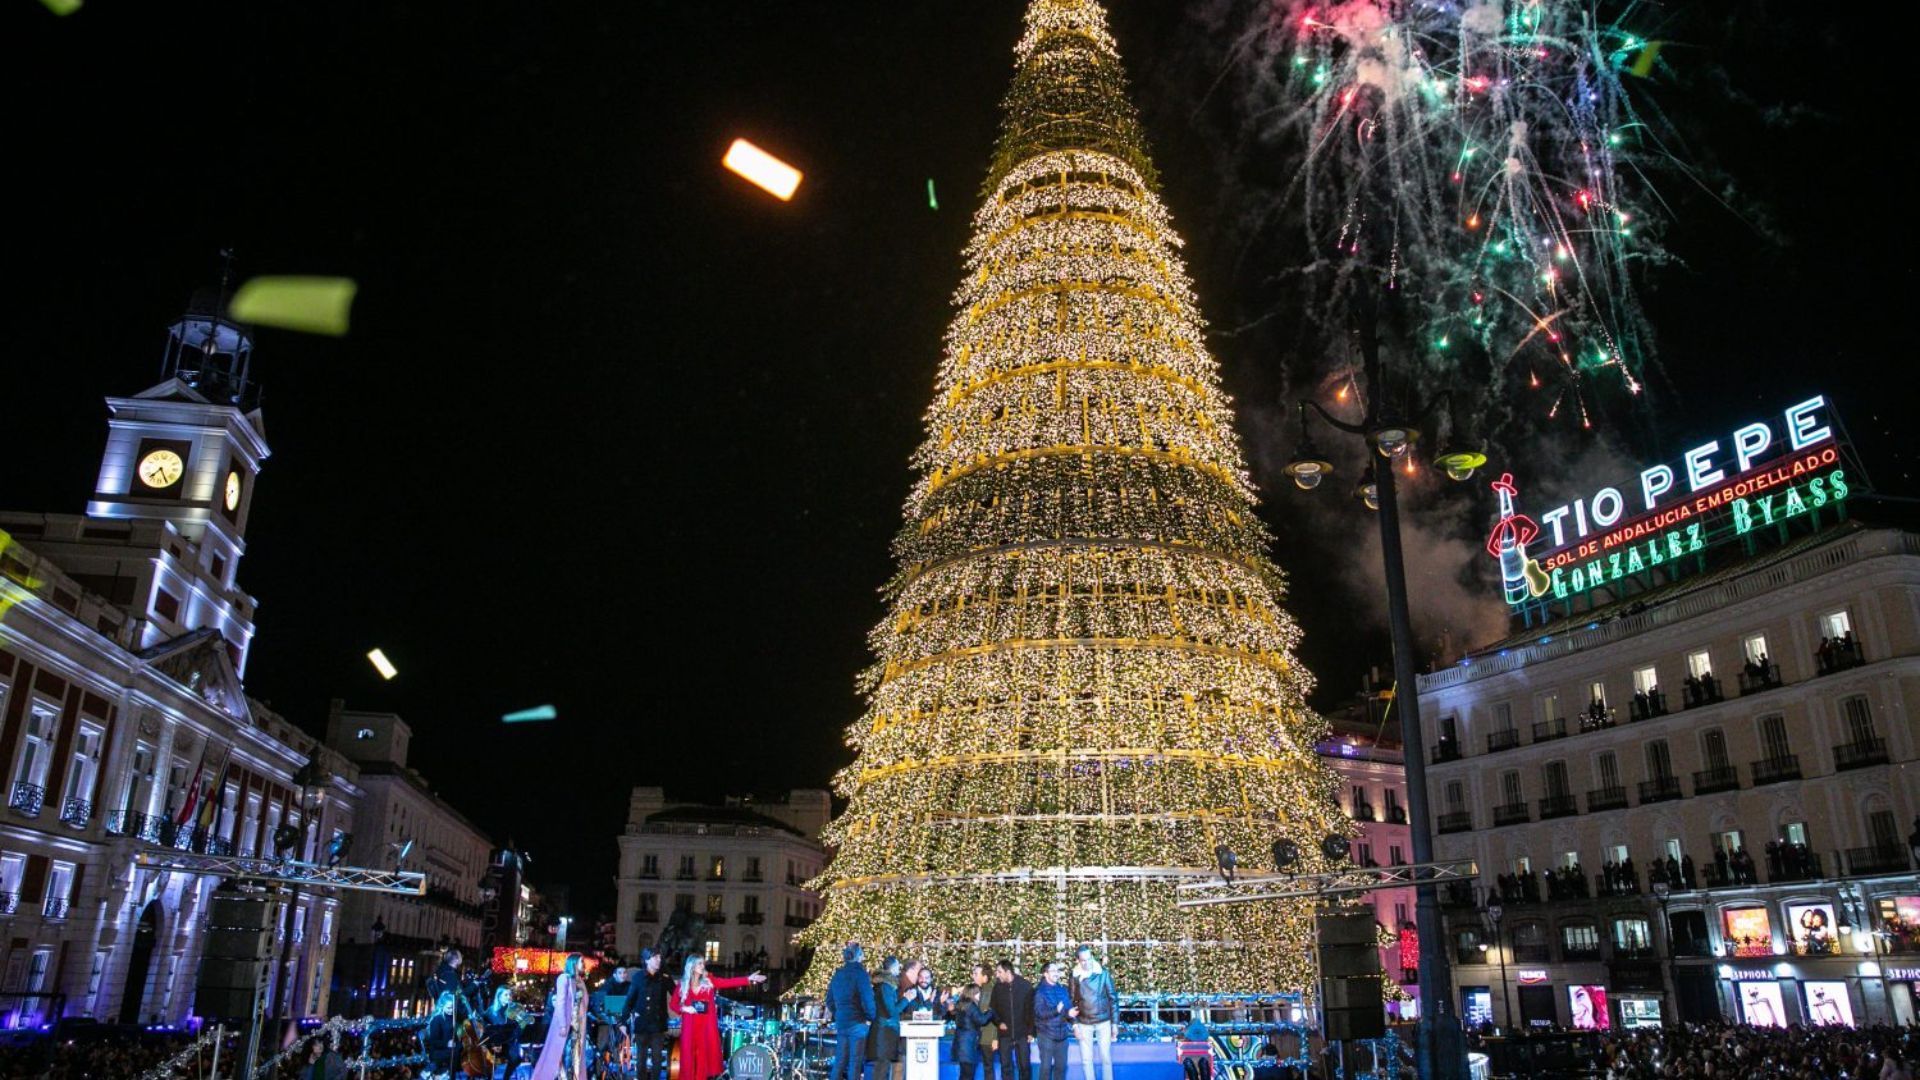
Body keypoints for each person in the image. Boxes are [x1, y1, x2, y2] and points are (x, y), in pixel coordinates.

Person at [672, 955, 767, 1080]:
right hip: (689, 1026)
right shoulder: (682, 985)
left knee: (702, 1062)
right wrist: (685, 1008)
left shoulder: (709, 981)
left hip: (705, 1027)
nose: (703, 966)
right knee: (687, 1061)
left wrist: (748, 979)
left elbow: (727, 982)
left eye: (703, 963)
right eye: (700, 964)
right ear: (692, 966)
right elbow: (673, 1004)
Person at [532, 953, 590, 1080]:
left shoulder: (580, 982)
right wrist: (563, 1025)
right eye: (581, 961)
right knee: (558, 1056)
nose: (584, 964)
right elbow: (561, 1002)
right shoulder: (564, 978)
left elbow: (584, 1004)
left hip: (578, 1025)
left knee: (575, 1057)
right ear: (573, 963)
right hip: (565, 1024)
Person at [828, 943, 878, 1080]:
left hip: (842, 1022)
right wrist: (871, 1017)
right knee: (855, 1063)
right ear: (859, 956)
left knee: (840, 1061)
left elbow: (829, 1000)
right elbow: (867, 999)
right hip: (858, 1022)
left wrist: (839, 1014)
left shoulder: (837, 975)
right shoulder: (861, 975)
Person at [1067, 947, 1115, 1080]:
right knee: (1086, 1060)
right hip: (1083, 1023)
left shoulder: (1103, 973)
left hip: (1104, 1022)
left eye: (1089, 959)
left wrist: (1115, 1023)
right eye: (1083, 960)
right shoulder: (1074, 976)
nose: (1087, 963)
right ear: (1078, 960)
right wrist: (1075, 1026)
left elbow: (1113, 998)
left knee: (1106, 1058)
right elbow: (1070, 1002)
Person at [630, 950, 674, 1080]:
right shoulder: (638, 977)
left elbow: (677, 995)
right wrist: (622, 1020)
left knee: (657, 1059)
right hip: (642, 1024)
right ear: (647, 960)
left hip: (658, 1024)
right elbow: (630, 999)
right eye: (655, 957)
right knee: (641, 1059)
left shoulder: (664, 978)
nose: (659, 959)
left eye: (660, 957)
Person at [990, 961, 1035, 1080]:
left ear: (1008, 972)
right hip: (1004, 1034)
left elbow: (1031, 1011)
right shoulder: (997, 988)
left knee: (1024, 1066)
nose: (997, 975)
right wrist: (999, 1022)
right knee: (1005, 1067)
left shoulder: (1025, 986)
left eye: (999, 972)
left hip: (1023, 1033)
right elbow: (992, 1009)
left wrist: (1031, 1032)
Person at [591, 965, 638, 1078]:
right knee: (602, 1047)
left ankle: (619, 1073)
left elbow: (633, 1002)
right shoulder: (607, 986)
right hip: (607, 1023)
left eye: (624, 973)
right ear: (614, 975)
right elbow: (602, 1004)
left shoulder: (629, 986)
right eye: (620, 973)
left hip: (622, 1023)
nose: (623, 975)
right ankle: (599, 1073)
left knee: (620, 1048)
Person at [868, 956, 906, 1080]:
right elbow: (892, 1011)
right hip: (885, 1033)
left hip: (886, 1032)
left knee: (883, 1068)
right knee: (881, 1069)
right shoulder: (885, 987)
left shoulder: (886, 986)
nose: (899, 970)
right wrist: (907, 999)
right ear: (893, 967)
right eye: (898, 966)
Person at [1032, 963, 1072, 1080]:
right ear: (1045, 974)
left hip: (1062, 1036)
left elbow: (1067, 1010)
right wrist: (1056, 1010)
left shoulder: (1063, 989)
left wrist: (1071, 1015)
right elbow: (1039, 1013)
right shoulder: (1040, 991)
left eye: (1057, 970)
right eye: (1053, 970)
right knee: (1045, 1069)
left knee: (1061, 1068)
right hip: (1046, 1035)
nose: (1056, 973)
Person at [951, 984, 997, 1080]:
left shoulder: (961, 1004)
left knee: (964, 1074)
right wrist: (990, 1012)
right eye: (978, 993)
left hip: (961, 1044)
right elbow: (982, 1020)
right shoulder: (971, 1006)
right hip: (968, 1045)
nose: (980, 995)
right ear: (973, 993)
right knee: (968, 1074)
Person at [423, 992, 462, 1079]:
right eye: (448, 1007)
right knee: (453, 1053)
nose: (451, 1010)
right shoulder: (437, 1019)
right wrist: (447, 1044)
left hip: (450, 1050)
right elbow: (433, 1041)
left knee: (459, 1050)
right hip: (439, 1051)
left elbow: (454, 1037)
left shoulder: (453, 1018)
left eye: (453, 1007)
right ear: (442, 1006)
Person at [971, 966, 1000, 1080]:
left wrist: (995, 1038)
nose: (973, 975)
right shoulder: (972, 990)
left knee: (988, 1067)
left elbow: (997, 1016)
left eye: (976, 973)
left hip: (987, 1036)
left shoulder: (992, 992)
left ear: (985, 977)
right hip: (974, 1035)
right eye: (973, 973)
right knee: (970, 1067)